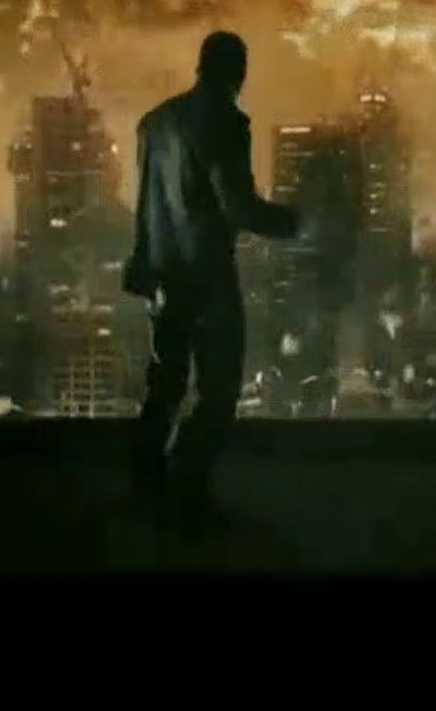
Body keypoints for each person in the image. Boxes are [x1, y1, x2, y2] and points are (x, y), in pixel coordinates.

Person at [123, 30, 300, 528]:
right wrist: (299, 224)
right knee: (219, 391)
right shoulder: (225, 122)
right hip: (207, 280)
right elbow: (239, 207)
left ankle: (147, 491)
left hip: (162, 276)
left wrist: (144, 266)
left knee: (165, 386)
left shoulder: (154, 123)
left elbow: (146, 205)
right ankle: (187, 491)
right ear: (237, 72)